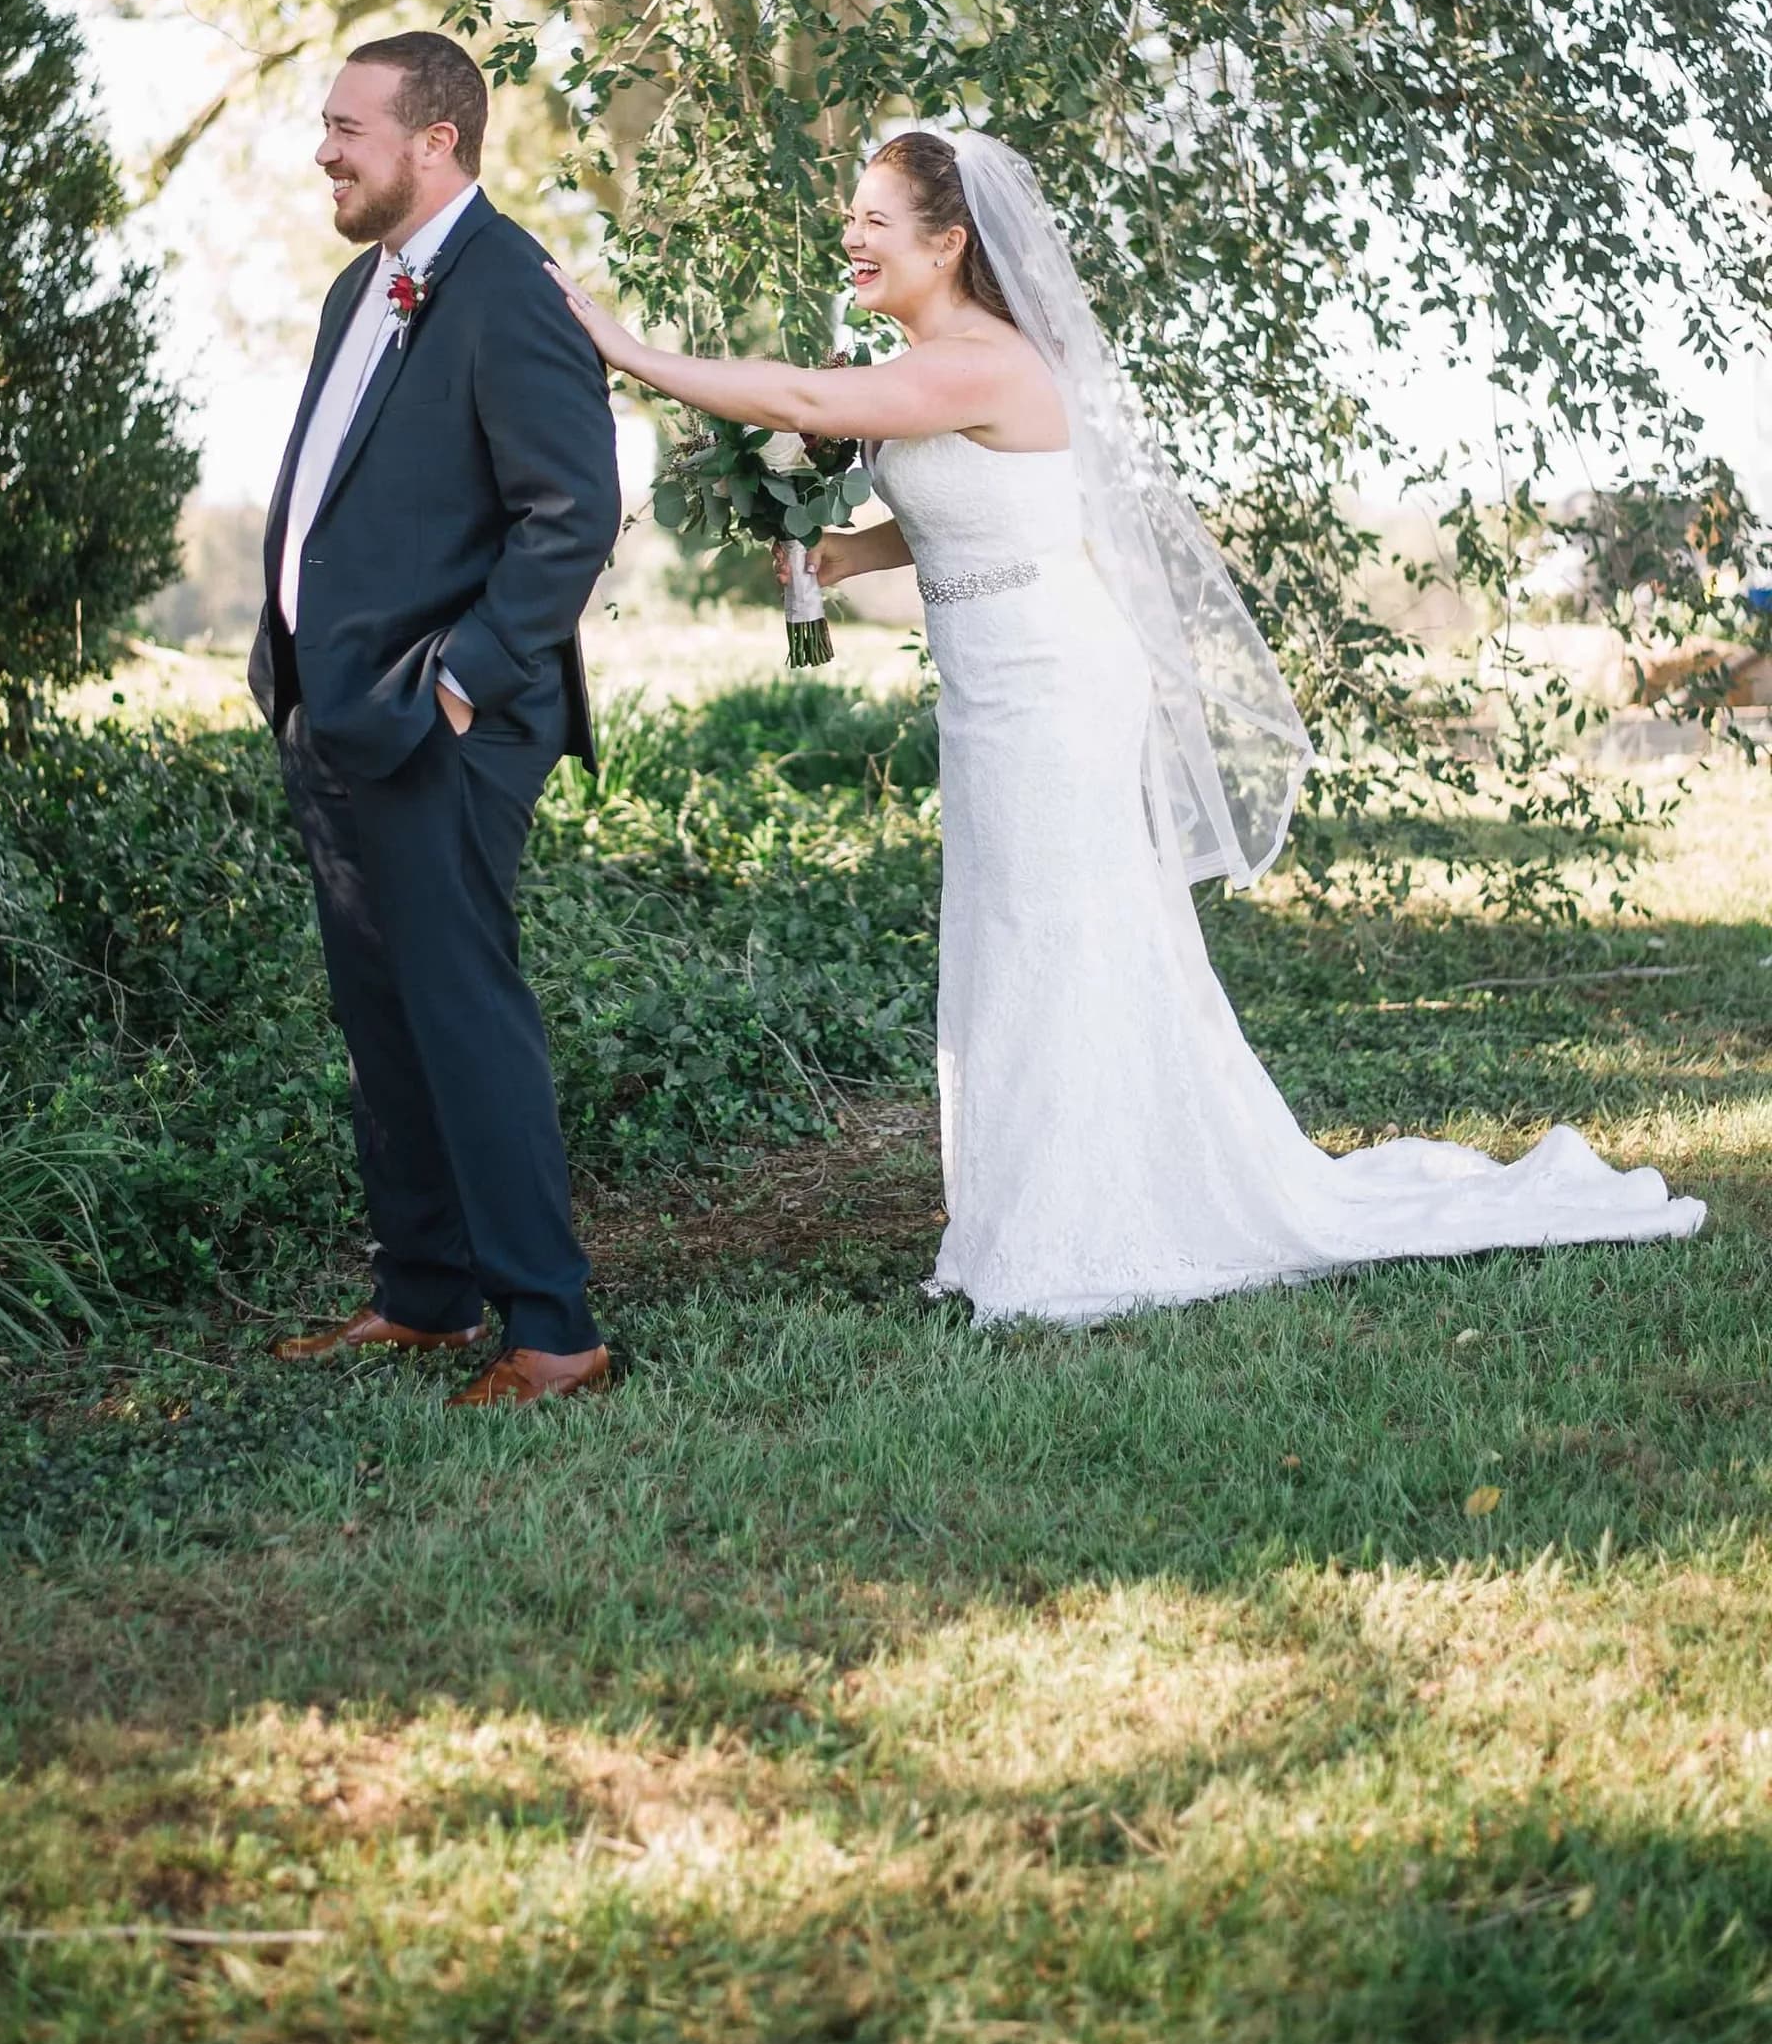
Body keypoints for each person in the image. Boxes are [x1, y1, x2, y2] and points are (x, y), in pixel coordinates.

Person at [552, 126, 1704, 1322]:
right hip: (990, 678)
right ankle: (1024, 1201)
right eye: (850, 216)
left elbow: (800, 397)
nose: (848, 235)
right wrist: (848, 553)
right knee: (1010, 930)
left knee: (1059, 929)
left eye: (873, 220)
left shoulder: (985, 359)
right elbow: (993, 502)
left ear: (947, 244)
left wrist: (624, 349)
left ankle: (1093, 1216)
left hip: (1053, 679)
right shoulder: (936, 357)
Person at [253, 32, 621, 1404]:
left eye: (348, 125)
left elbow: (572, 511)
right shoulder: (363, 284)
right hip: (335, 718)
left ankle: (554, 1330)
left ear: (437, 141)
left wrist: (461, 680)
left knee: (465, 1015)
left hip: (443, 723)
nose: (324, 148)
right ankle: (424, 1294)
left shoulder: (512, 285)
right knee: (384, 1020)